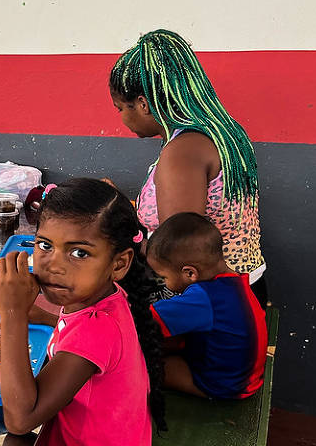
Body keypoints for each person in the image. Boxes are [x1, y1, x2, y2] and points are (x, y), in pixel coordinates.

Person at [0, 178, 165, 446]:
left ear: (119, 263)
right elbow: (71, 329)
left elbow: (20, 418)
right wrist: (37, 315)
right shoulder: (102, 302)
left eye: (79, 252)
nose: (54, 264)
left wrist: (13, 313)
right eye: (44, 245)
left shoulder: (97, 329)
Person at [109, 29, 267, 306]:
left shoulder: (182, 152)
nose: (122, 117)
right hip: (244, 288)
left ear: (144, 105)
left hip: (209, 303)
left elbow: (178, 251)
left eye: (121, 108)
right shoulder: (225, 134)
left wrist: (120, 230)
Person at [146, 212, 267, 399]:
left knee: (146, 366)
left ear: (189, 273)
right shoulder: (234, 282)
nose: (161, 282)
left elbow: (145, 321)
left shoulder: (202, 299)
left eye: (163, 277)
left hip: (225, 384)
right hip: (245, 376)